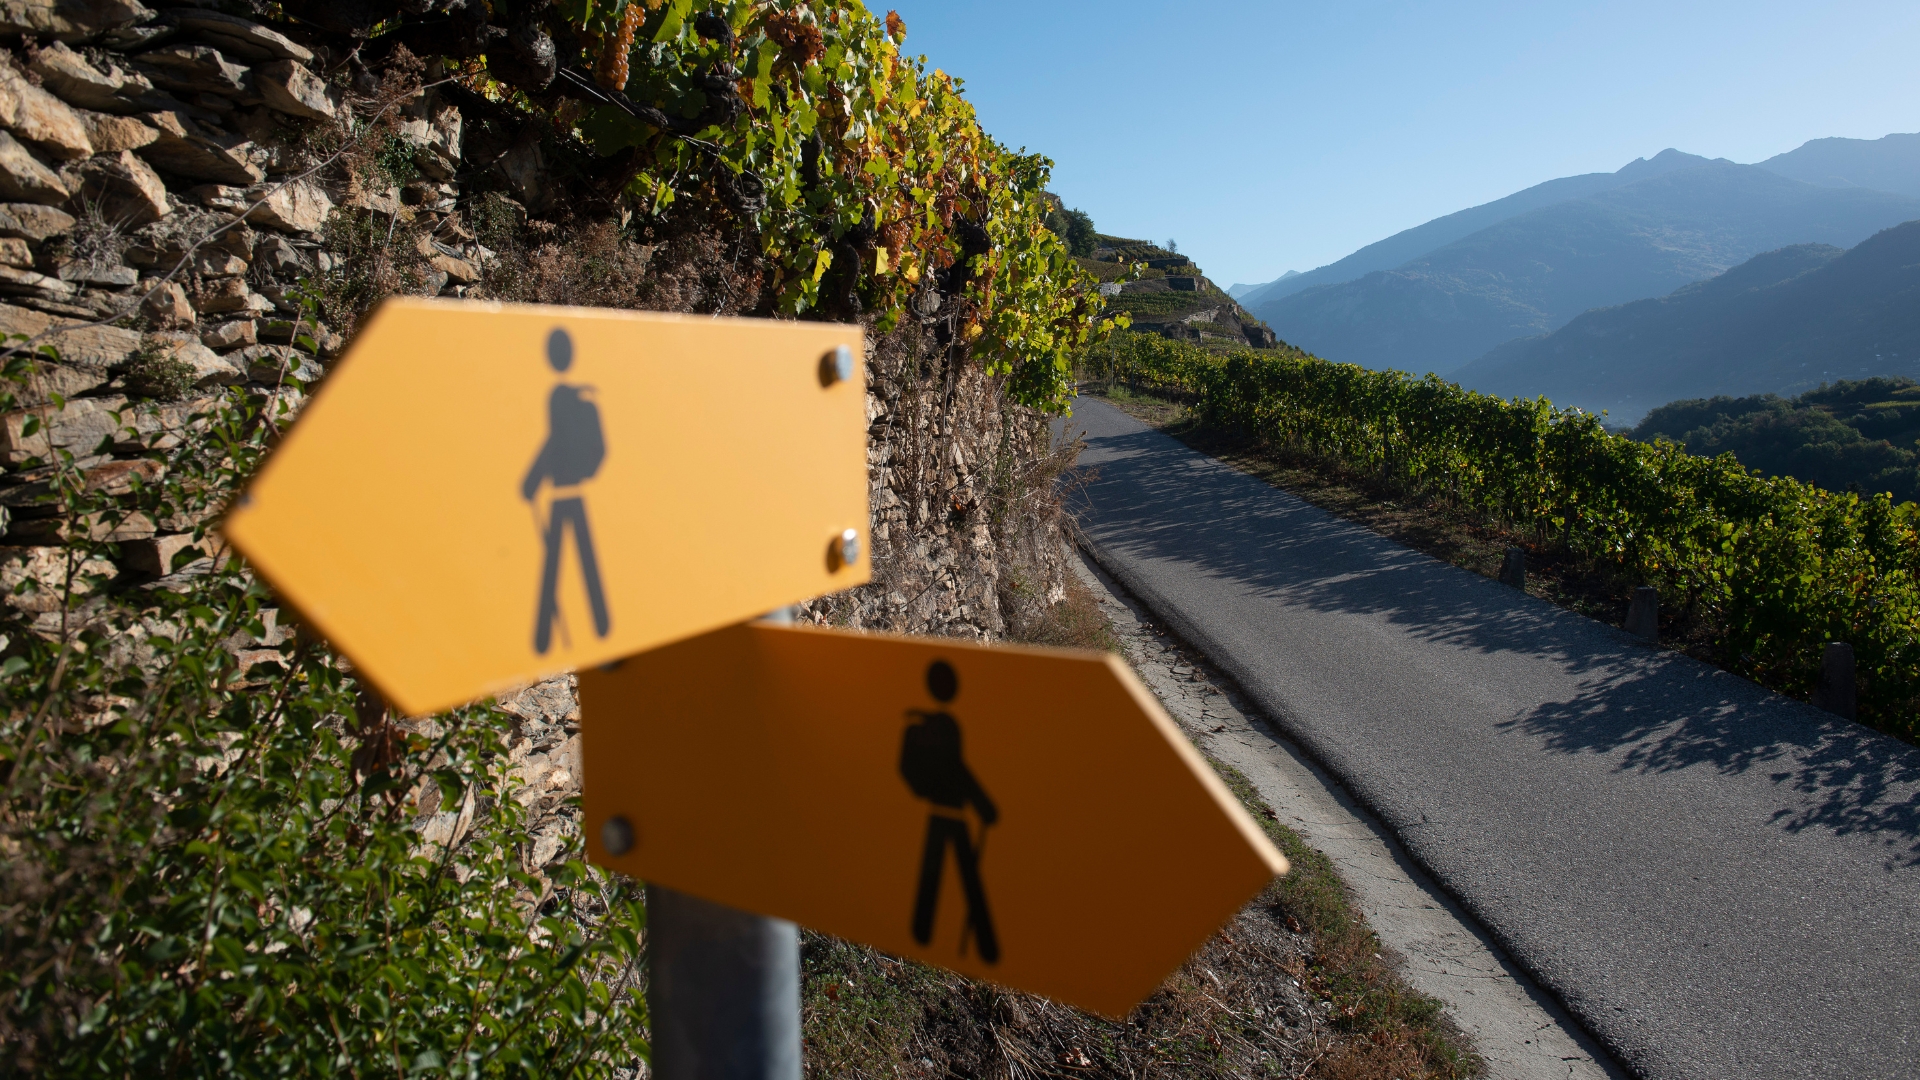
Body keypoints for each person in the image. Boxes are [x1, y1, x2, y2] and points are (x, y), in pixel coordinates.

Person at [899, 659, 999, 963]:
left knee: (939, 874)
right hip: (951, 812)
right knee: (966, 876)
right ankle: (982, 942)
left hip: (940, 812)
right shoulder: (940, 727)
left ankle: (925, 933)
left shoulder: (931, 724)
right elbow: (960, 770)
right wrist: (984, 806)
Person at [521, 328, 610, 655]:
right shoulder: (570, 398)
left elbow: (552, 441)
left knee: (560, 558)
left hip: (564, 489)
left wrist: (532, 481)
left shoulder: (564, 399)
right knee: (575, 556)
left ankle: (547, 634)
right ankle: (594, 624)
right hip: (570, 490)